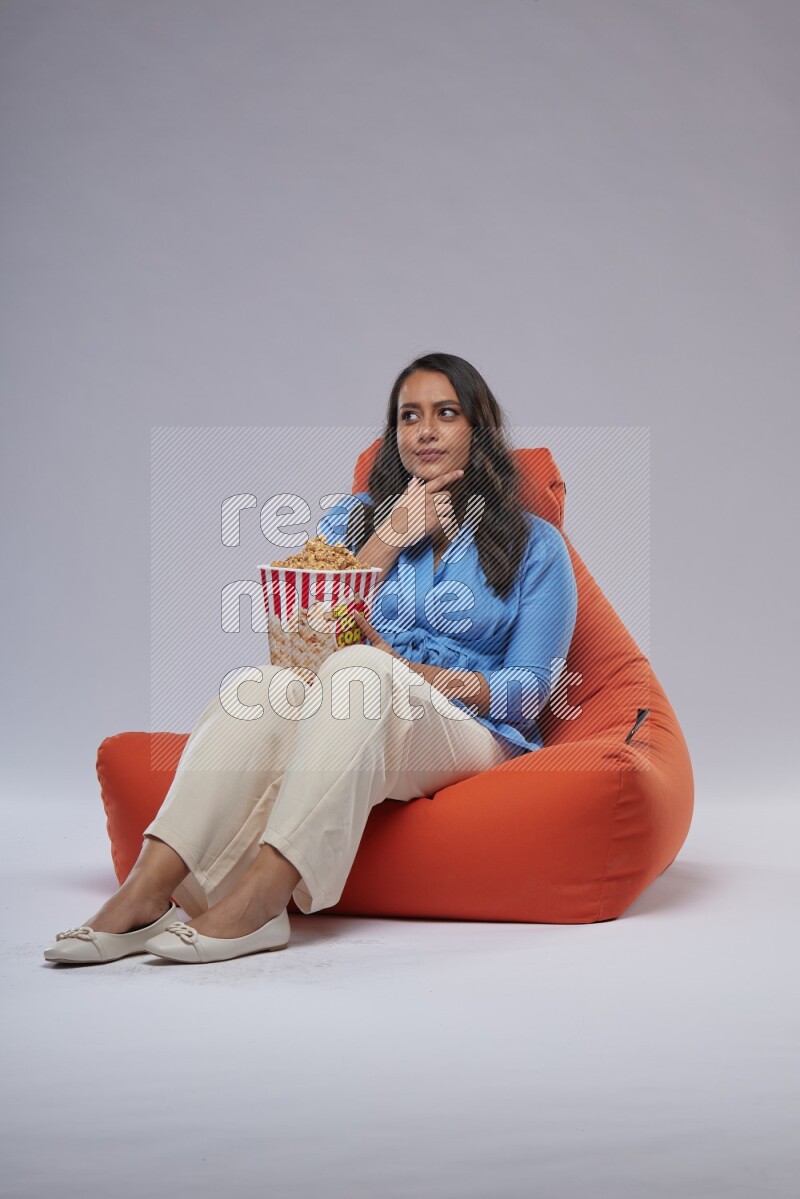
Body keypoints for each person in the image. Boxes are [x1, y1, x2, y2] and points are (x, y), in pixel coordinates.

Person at [43, 352, 578, 966]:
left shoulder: (537, 545)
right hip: (353, 709)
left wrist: (414, 674)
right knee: (263, 685)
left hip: (472, 732)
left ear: (476, 429)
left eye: (445, 414)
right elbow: (298, 626)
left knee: (363, 673)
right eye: (409, 416)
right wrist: (386, 539)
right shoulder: (354, 522)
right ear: (392, 433)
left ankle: (262, 904)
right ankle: (147, 891)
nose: (425, 431)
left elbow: (531, 689)